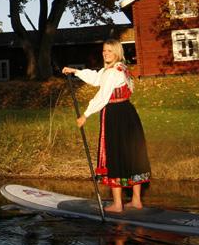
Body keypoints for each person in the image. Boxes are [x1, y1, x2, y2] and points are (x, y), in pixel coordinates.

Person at [62, 39, 150, 211]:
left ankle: (118, 204)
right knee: (131, 153)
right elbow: (96, 78)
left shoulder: (112, 73)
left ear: (117, 52)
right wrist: (75, 71)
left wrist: (85, 115)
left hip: (115, 115)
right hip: (128, 113)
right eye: (104, 50)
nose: (105, 53)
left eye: (109, 51)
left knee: (114, 154)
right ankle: (136, 200)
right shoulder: (119, 69)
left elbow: (102, 96)